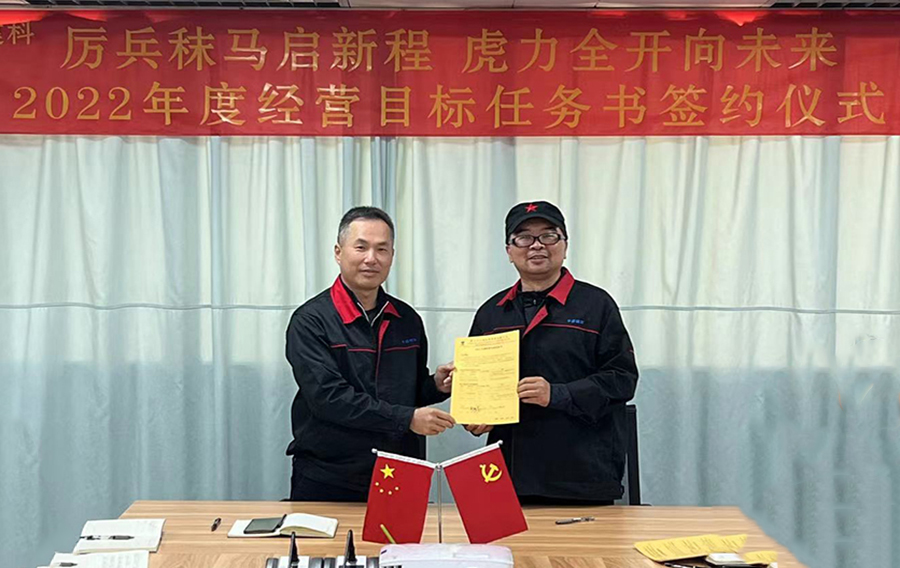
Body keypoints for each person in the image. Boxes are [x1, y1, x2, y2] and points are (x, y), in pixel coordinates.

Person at [465, 201, 639, 505]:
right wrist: (476, 415)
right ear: (509, 251)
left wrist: (558, 394)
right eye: (523, 237)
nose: (536, 245)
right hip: (509, 477)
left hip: (582, 476)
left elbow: (622, 379)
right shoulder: (491, 313)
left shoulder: (596, 305)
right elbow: (478, 387)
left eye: (548, 235)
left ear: (565, 246)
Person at [285, 206, 455, 501]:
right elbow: (329, 399)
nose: (371, 258)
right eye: (361, 247)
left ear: (392, 256)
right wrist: (407, 418)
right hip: (331, 474)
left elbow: (409, 392)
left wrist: (436, 386)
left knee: (405, 536)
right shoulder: (311, 321)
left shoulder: (407, 319)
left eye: (382, 249)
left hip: (401, 470)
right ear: (338, 252)